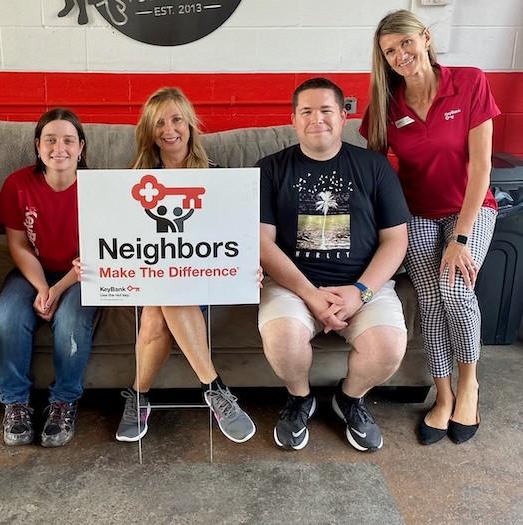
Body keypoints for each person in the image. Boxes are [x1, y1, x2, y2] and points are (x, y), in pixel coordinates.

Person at [363, 10, 499, 445]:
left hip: (469, 209)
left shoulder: (470, 81)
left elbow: (482, 167)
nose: (400, 55)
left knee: (455, 289)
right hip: (417, 212)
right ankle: (442, 396)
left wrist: (460, 238)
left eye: (405, 43)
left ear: (423, 37)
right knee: (429, 296)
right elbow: (375, 172)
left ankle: (469, 387)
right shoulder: (387, 103)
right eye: (389, 51)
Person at [257, 77, 411, 452]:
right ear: (293, 119)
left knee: (389, 346)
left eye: (326, 110)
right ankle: (299, 399)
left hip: (362, 285)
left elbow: (396, 240)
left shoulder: (374, 167)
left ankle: (350, 399)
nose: (317, 119)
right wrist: (309, 294)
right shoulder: (270, 168)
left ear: (344, 117)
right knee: (283, 337)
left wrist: (360, 292)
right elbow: (262, 243)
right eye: (306, 111)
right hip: (293, 286)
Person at [114, 87, 256, 444]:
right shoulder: (134, 182)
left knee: (166, 298)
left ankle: (138, 396)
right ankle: (215, 387)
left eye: (176, 119)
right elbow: (120, 238)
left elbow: (237, 238)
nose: (169, 129)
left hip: (202, 279)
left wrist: (248, 269)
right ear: (149, 131)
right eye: (159, 122)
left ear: (190, 124)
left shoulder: (216, 178)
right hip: (149, 275)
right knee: (162, 296)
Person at [0, 108, 98, 448]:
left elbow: (96, 255)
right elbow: (19, 245)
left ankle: (64, 401)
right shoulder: (18, 184)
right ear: (38, 146)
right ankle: (16, 403)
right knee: (7, 319)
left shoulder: (99, 188)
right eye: (50, 140)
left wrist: (57, 289)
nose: (59, 148)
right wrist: (41, 287)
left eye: (68, 140)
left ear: (81, 147)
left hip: (83, 274)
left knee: (69, 321)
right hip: (32, 269)